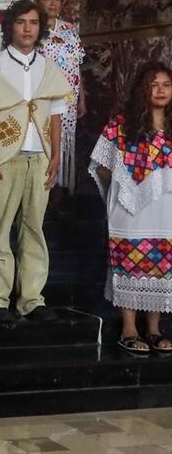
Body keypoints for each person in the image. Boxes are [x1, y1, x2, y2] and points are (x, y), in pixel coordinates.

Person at [0, 0, 71, 323]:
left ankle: (31, 299)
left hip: (37, 158)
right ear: (10, 26)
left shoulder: (48, 68)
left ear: (40, 28)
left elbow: (56, 116)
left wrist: (55, 156)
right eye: (21, 22)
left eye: (33, 22)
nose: (27, 28)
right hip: (4, 159)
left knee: (34, 229)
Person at [89, 63, 172, 355]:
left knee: (161, 263)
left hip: (166, 211)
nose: (161, 90)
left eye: (166, 84)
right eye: (154, 84)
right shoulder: (121, 126)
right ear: (142, 89)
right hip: (130, 211)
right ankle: (129, 327)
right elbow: (101, 166)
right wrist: (125, 190)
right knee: (130, 260)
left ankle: (154, 328)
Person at [35, 0, 85, 196]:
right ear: (38, 1)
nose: (53, 4)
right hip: (42, 98)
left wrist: (81, 97)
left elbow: (76, 66)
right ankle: (41, 190)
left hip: (68, 98)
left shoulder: (70, 30)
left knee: (64, 143)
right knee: (44, 140)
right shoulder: (33, 29)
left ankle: (59, 194)